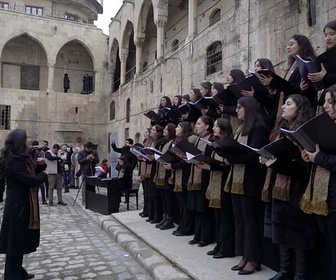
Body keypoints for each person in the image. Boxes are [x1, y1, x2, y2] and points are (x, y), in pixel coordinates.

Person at [260, 94, 315, 280]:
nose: (283, 107)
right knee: (281, 230)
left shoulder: (305, 132)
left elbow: (304, 167)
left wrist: (274, 163)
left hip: (297, 187)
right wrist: (267, 159)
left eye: (288, 104)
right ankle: (284, 270)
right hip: (279, 185)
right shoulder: (280, 130)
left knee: (298, 235)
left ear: (300, 108)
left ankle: (300, 274)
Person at [225, 97, 269, 275]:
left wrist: (233, 157)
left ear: (248, 109)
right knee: (240, 220)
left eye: (239, 107)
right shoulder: (241, 128)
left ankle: (254, 259)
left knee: (251, 222)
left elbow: (254, 156)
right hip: (236, 180)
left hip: (250, 181)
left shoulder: (258, 128)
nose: (236, 110)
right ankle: (245, 255)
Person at [0, 129, 48, 280]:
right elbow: (29, 180)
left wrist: (40, 167)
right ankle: (12, 276)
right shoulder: (13, 159)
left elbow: (30, 173)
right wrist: (44, 175)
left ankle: (18, 272)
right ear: (20, 141)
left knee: (18, 241)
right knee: (15, 242)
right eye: (27, 138)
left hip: (22, 203)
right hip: (17, 205)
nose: (30, 140)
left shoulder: (20, 158)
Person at [301, 85, 336, 279]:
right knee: (328, 247)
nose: (327, 107)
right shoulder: (325, 127)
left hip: (333, 198)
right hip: (320, 196)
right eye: (325, 103)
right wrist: (309, 158)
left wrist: (319, 157)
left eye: (331, 102)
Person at [202, 118, 235, 259]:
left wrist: (211, 166)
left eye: (216, 126)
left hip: (224, 183)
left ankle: (226, 248)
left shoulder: (228, 144)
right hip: (215, 181)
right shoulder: (215, 144)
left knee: (225, 217)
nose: (214, 128)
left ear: (223, 128)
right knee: (218, 217)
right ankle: (219, 244)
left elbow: (227, 165)